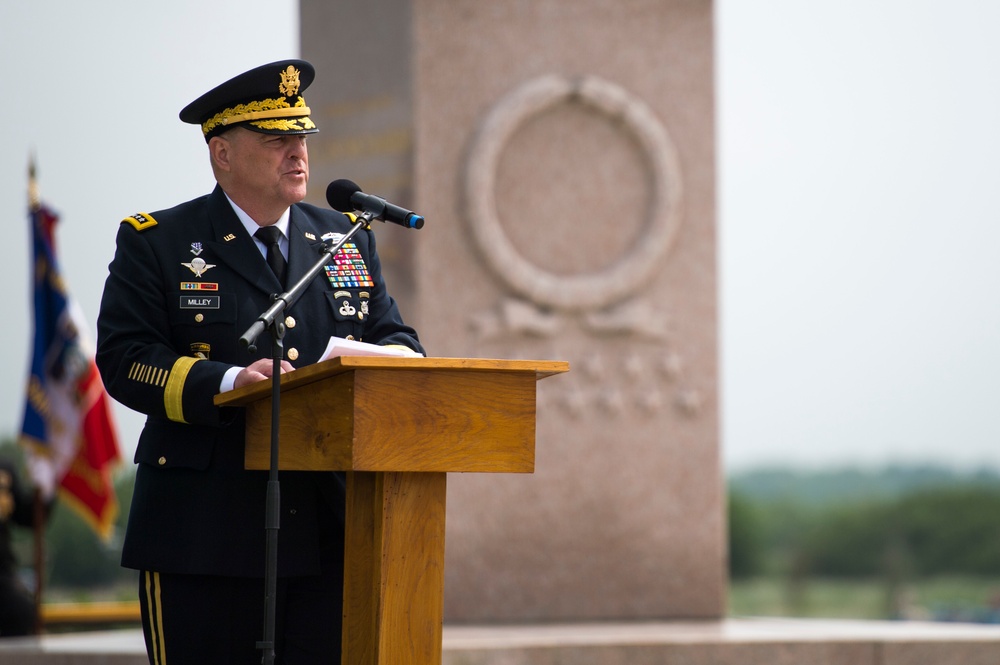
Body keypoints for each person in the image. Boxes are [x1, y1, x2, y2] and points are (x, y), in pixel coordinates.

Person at [96, 59, 423, 664]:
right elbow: (125, 358)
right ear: (222, 153)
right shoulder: (158, 242)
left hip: (328, 530)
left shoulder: (344, 237)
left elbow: (393, 333)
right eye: (277, 140)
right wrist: (228, 382)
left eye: (301, 139)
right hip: (204, 531)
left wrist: (396, 361)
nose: (297, 154)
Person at [0, 459, 40, 637]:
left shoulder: (4, 470)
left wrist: (44, 489)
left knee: (20, 610)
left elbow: (29, 517)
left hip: (3, 577)